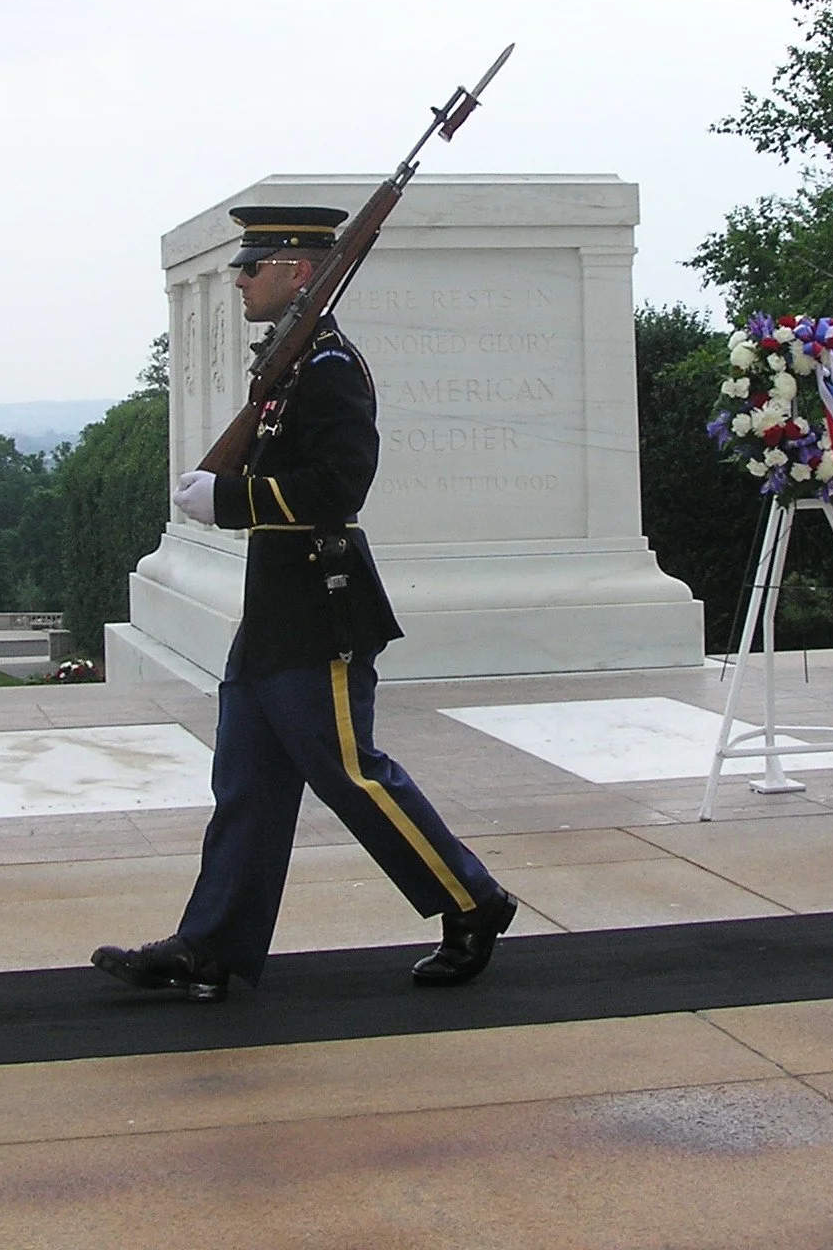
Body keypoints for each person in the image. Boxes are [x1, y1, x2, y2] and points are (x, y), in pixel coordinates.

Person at [92, 205, 517, 1003]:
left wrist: (235, 499)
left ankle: (473, 901)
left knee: (351, 773)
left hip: (320, 603)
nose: (239, 276)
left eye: (253, 264)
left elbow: (338, 488)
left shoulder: (327, 368)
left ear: (297, 271)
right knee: (247, 782)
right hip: (274, 608)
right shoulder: (291, 364)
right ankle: (211, 945)